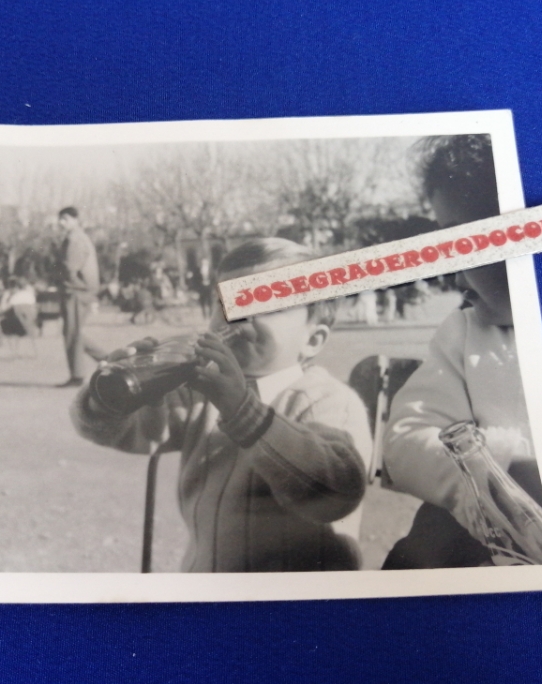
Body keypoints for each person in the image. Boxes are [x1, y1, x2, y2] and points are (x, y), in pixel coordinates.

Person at [71, 238, 371, 572]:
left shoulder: (327, 400)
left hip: (297, 602)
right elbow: (133, 432)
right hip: (209, 581)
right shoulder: (200, 391)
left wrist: (243, 411)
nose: (237, 317)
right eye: (225, 302)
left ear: (312, 340)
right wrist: (114, 396)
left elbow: (338, 491)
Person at [381, 135, 542, 569]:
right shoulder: (466, 332)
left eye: (465, 245)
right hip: (498, 542)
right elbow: (406, 436)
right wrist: (498, 472)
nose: (451, 268)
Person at [56, 207, 105, 386]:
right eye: (60, 219)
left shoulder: (74, 239)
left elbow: (70, 268)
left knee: (72, 333)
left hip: (76, 291)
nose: (62, 223)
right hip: (81, 290)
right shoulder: (79, 237)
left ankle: (77, 375)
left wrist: (65, 283)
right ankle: (108, 359)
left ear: (75, 220)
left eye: (66, 219)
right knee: (72, 332)